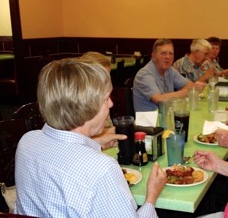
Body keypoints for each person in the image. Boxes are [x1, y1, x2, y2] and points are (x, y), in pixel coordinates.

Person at [14, 58, 167, 217]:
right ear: (87, 106)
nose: (111, 104)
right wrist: (151, 197)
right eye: (106, 99)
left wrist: (93, 143)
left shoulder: (27, 141)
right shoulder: (101, 168)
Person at [133, 38, 205, 112]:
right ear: (154, 56)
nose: (168, 57)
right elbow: (160, 100)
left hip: (167, 115)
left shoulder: (169, 70)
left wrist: (188, 89)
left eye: (171, 53)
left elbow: (188, 84)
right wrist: (190, 91)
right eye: (163, 53)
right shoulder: (144, 75)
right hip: (150, 121)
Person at [80, 51, 120, 149]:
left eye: (109, 76)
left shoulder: (102, 97)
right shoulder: (79, 103)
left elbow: (105, 129)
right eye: (103, 78)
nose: (108, 82)